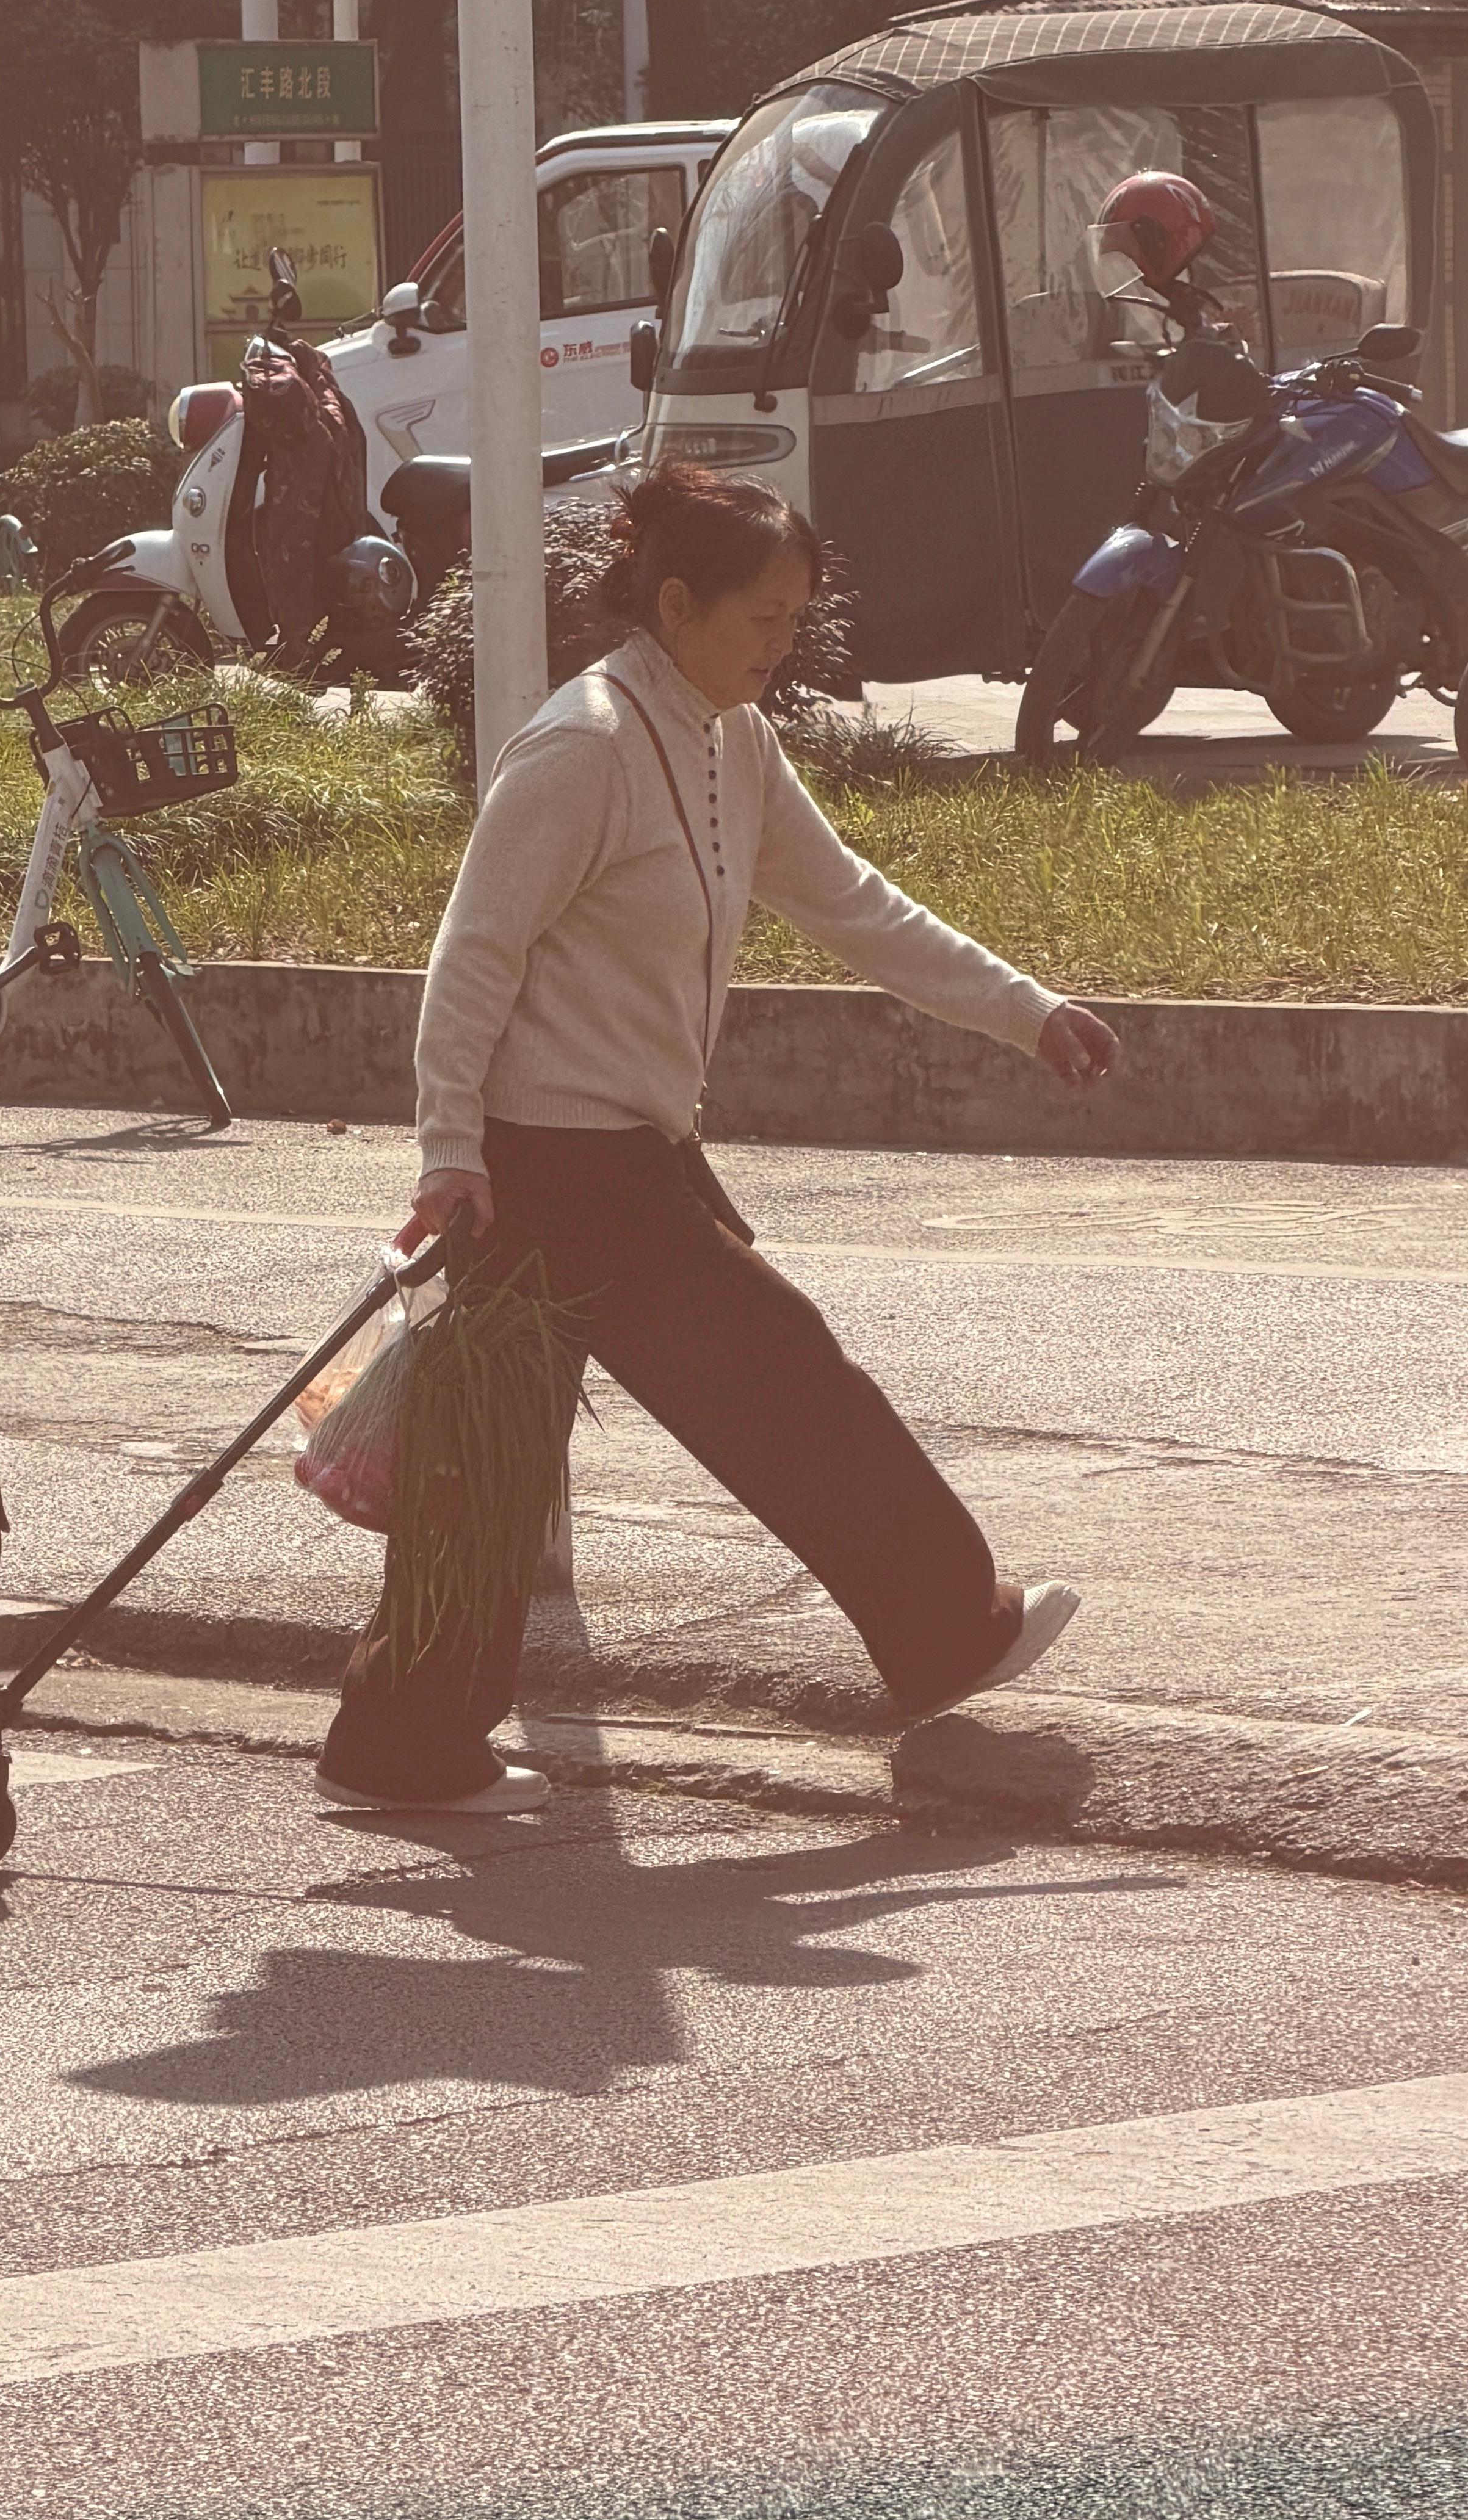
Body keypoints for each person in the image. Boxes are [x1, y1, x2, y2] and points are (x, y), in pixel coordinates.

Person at [318, 464, 1121, 1816]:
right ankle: (947, 1628)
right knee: (785, 1380)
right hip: (555, 1165)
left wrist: (1026, 1013)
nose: (781, 643)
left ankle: (399, 1745)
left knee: (493, 1461)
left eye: (796, 617)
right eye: (761, 617)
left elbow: (854, 904)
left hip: (625, 1154)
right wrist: (449, 1150)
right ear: (675, 603)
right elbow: (473, 959)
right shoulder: (582, 746)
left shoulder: (728, 737)